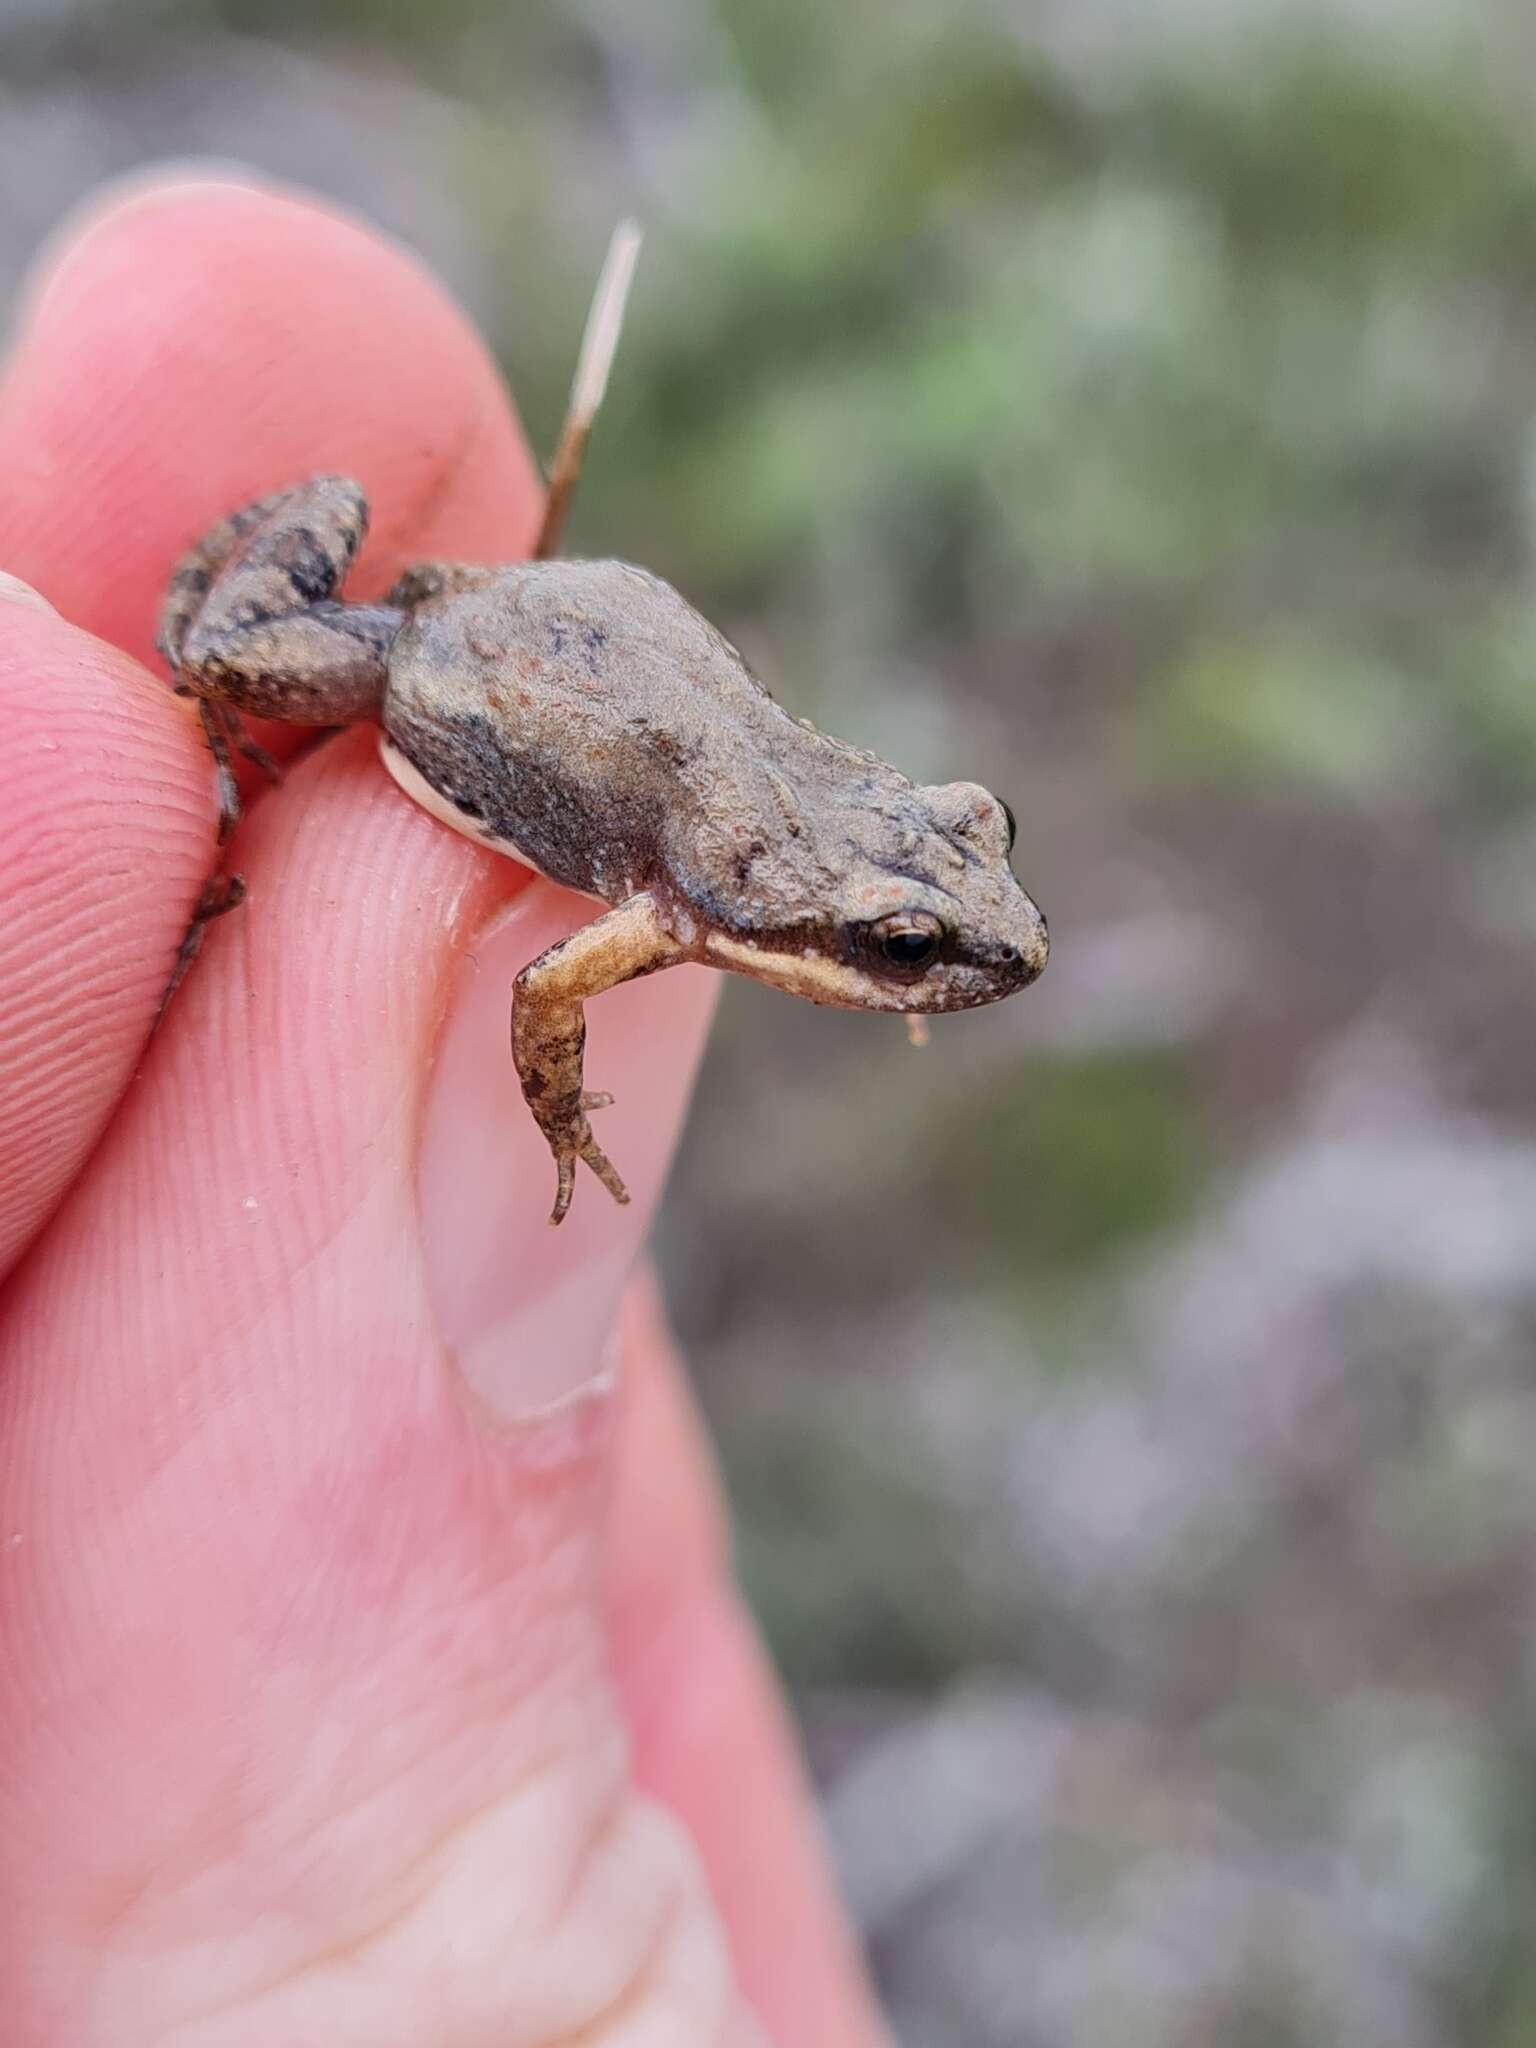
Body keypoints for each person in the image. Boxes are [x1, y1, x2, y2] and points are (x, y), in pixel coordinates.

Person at [0, 171, 889, 2047]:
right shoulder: (675, 913)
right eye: (895, 949)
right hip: (426, 665)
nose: (919, 973)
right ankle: (207, 706)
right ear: (800, 929)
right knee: (222, 653)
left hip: (540, 637)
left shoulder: (742, 859)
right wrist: (554, 1138)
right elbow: (547, 1004)